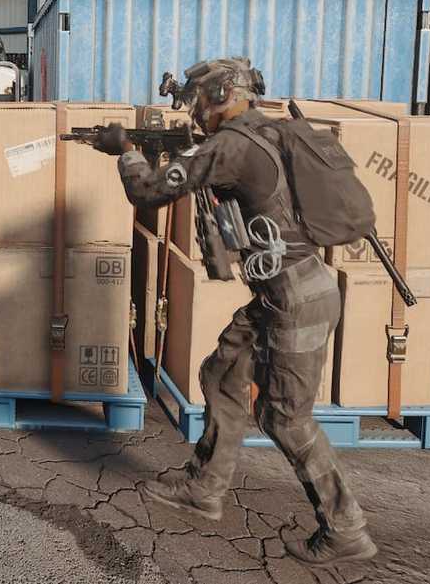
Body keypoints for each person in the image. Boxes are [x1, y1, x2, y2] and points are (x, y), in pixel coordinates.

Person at [89, 58, 375, 567]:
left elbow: (148, 192)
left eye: (200, 99)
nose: (196, 111)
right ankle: (205, 486)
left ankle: (344, 527)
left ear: (221, 94)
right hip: (282, 294)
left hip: (295, 300)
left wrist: (127, 151)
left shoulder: (231, 146)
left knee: (285, 418)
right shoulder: (269, 131)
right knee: (221, 376)